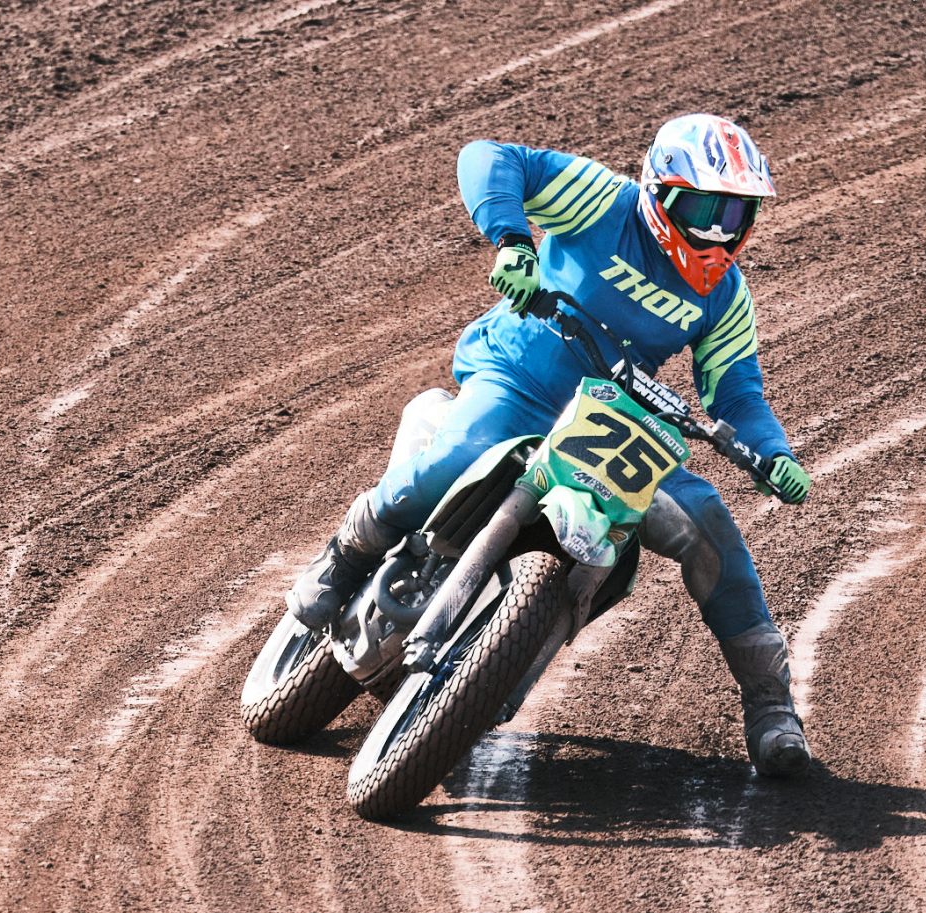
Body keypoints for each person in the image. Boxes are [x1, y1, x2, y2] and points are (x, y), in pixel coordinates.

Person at [285, 114, 813, 777]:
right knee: (451, 459)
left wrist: (774, 453)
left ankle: (769, 703)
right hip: (522, 377)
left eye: (734, 213)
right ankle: (345, 556)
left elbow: (737, 393)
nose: (717, 231)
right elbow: (491, 157)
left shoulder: (726, 295)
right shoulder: (605, 202)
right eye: (704, 209)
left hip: (614, 422)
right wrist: (514, 243)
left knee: (711, 528)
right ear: (659, 191)